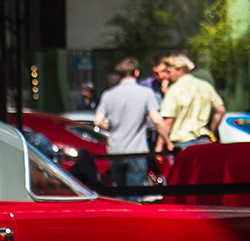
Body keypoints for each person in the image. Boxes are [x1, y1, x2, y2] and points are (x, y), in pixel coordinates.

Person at [94, 57, 161, 191]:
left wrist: (111, 127)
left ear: (119, 75)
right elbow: (157, 120)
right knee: (135, 193)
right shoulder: (146, 93)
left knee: (119, 190)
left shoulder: (108, 95)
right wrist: (166, 141)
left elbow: (98, 121)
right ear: (136, 72)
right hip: (137, 150)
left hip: (116, 150)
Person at [154, 52, 225, 149]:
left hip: (181, 143)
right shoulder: (204, 85)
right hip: (203, 141)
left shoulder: (174, 90)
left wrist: (159, 146)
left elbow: (168, 121)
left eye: (169, 72)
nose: (167, 76)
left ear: (180, 70)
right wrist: (212, 131)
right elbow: (220, 110)